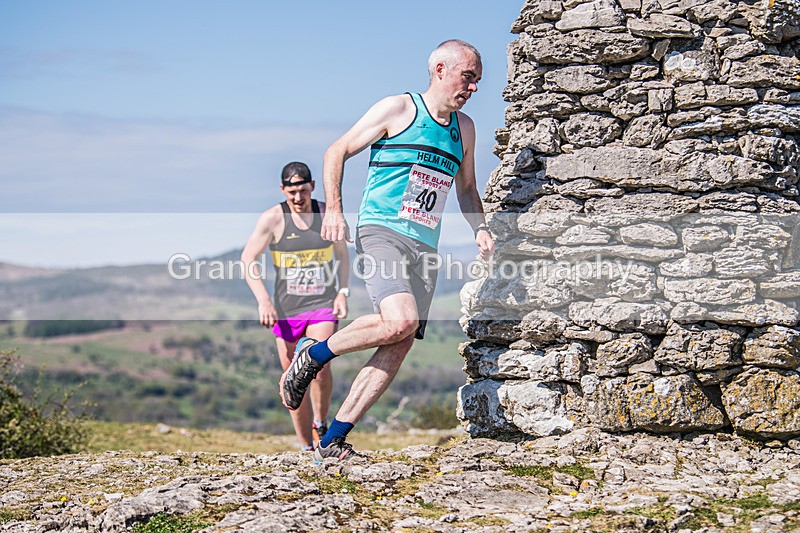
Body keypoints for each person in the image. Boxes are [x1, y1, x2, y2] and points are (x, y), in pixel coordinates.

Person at [278, 40, 495, 461]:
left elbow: (467, 188)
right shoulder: (398, 109)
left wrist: (480, 227)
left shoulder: (465, 129)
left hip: (424, 245)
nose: (472, 88)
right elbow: (337, 151)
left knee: (399, 340)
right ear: (440, 69)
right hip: (382, 231)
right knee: (401, 320)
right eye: (467, 77)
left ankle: (332, 439)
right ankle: (314, 354)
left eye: (477, 81)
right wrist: (334, 209)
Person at [242, 161, 350, 452]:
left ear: (312, 186)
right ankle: (305, 446)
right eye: (292, 192)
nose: (298, 198)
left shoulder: (326, 214)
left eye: (303, 190)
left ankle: (320, 423)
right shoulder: (273, 219)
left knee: (319, 365)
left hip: (322, 303)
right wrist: (263, 300)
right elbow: (248, 259)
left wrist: (342, 293)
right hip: (287, 310)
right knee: (293, 377)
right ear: (282, 190)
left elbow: (342, 255)